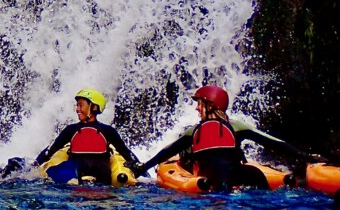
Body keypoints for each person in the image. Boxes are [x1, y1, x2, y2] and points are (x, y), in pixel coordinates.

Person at [130, 85, 320, 191]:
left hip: (211, 180)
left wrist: (141, 168)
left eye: (199, 104)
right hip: (245, 175)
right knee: (254, 181)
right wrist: (308, 156)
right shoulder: (237, 127)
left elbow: (166, 152)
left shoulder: (194, 131)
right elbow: (274, 143)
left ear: (210, 105)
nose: (196, 108)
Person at [32, 89, 142, 185]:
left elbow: (50, 151)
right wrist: (137, 167)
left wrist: (35, 165)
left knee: (55, 171)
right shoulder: (108, 130)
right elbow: (126, 154)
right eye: (77, 106)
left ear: (94, 107)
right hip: (102, 172)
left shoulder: (72, 129)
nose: (77, 109)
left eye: (81, 105)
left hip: (78, 169)